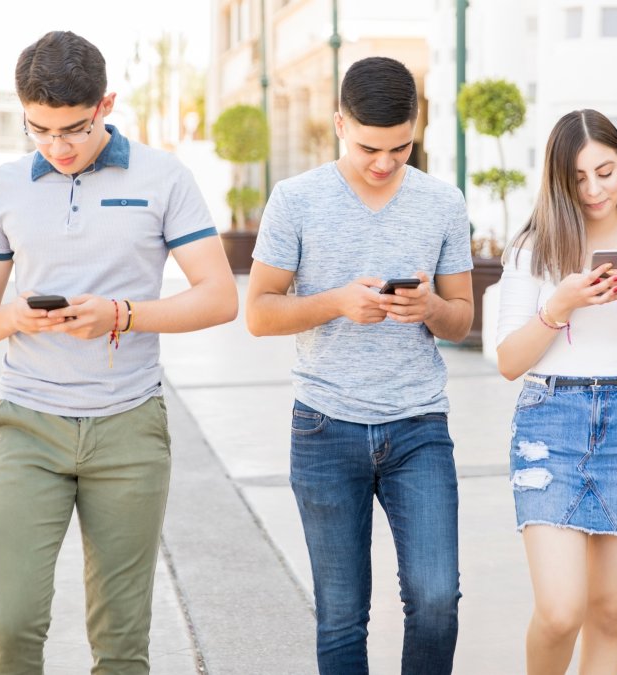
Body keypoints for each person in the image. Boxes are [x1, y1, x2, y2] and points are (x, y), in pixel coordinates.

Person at [0, 31, 237, 674]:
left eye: (74, 131)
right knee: (10, 623)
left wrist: (123, 315)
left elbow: (220, 297)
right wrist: (9, 316)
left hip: (129, 426)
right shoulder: (4, 187)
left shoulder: (164, 178)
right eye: (39, 131)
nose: (57, 148)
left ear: (105, 104)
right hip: (26, 423)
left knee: (121, 641)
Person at [245, 56, 474, 674]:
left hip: (417, 425)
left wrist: (429, 307)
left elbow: (462, 319)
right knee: (342, 614)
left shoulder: (442, 202)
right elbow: (259, 313)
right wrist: (337, 302)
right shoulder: (295, 200)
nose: (383, 163)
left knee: (436, 599)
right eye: (370, 147)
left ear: (416, 126)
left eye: (400, 147)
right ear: (339, 123)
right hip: (324, 426)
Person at [494, 109, 617, 674]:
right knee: (560, 611)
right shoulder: (532, 248)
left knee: (609, 613)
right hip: (548, 421)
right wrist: (558, 305)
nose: (593, 189)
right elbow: (510, 361)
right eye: (577, 178)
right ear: (558, 182)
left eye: (604, 171)